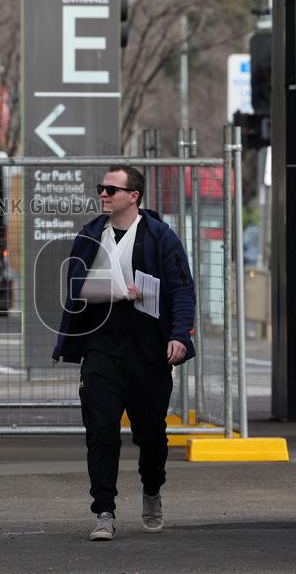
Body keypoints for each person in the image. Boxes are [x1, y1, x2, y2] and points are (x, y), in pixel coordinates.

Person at [52, 165, 196, 541]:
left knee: (151, 436)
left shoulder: (160, 237)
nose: (103, 194)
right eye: (101, 188)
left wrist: (179, 335)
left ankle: (151, 489)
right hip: (101, 351)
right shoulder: (90, 236)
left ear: (133, 196)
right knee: (101, 430)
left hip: (149, 353)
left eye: (112, 189)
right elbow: (76, 287)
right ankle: (104, 510)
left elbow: (182, 289)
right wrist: (115, 291)